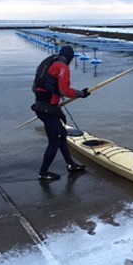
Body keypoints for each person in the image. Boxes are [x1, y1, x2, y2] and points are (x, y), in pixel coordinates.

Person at [31, 45, 90, 181]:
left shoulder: (48, 62)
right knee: (54, 141)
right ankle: (43, 173)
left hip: (42, 106)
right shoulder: (62, 67)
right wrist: (81, 93)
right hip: (48, 110)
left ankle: (71, 164)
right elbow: (64, 90)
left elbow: (36, 87)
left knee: (62, 135)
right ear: (69, 57)